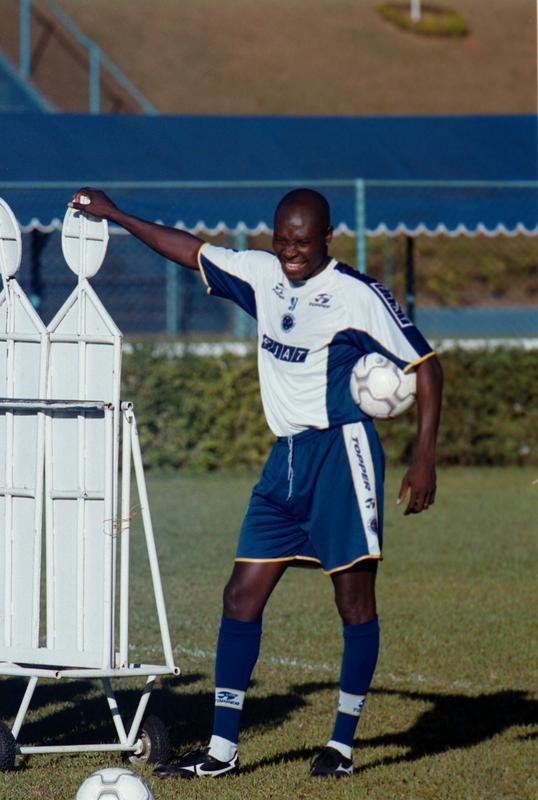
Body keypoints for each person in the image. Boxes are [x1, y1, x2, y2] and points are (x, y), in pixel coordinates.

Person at [70, 187, 443, 779]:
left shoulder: (358, 295)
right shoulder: (260, 274)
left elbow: (427, 368)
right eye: (281, 239)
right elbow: (188, 251)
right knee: (240, 596)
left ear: (326, 239)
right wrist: (115, 216)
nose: (290, 251)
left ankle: (341, 747)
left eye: (302, 241)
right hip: (284, 462)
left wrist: (423, 460)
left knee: (353, 602)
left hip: (341, 456)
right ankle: (221, 752)